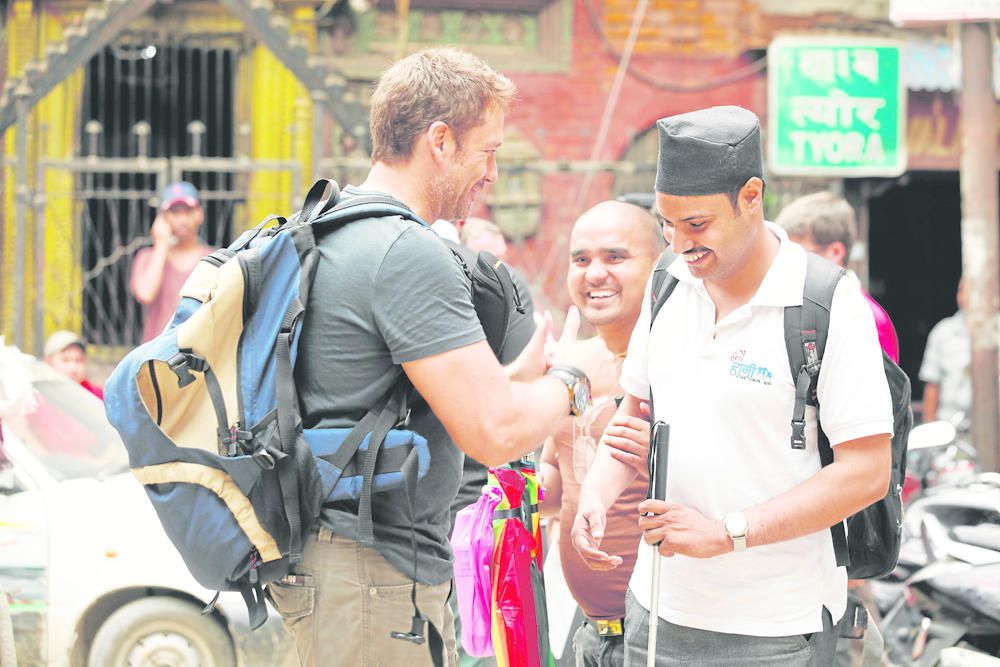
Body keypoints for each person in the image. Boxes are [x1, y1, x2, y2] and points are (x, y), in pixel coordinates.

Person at [267, 48, 613, 667]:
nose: (493, 174)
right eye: (489, 152)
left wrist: (512, 383)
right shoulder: (407, 251)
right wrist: (580, 373)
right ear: (441, 141)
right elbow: (495, 434)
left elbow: (374, 396)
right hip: (369, 575)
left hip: (338, 563)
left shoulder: (330, 226)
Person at [571, 106, 894, 667]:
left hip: (775, 628)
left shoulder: (825, 302)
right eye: (668, 225)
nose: (681, 243)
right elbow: (637, 413)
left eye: (697, 225)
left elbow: (867, 472)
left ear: (751, 196)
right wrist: (597, 495)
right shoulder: (668, 284)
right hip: (658, 612)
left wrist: (727, 534)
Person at [539, 200, 663, 667]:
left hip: (661, 636)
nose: (594, 274)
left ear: (658, 267)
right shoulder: (576, 363)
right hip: (591, 633)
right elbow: (556, 487)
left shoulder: (681, 364)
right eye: (581, 259)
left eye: (615, 258)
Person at [776, 191, 900, 363]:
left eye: (798, 254)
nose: (788, 263)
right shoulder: (796, 304)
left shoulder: (868, 318)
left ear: (835, 252)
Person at [130, 181, 213, 343]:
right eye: (175, 213)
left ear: (199, 214)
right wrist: (161, 245)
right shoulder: (147, 257)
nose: (182, 219)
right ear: (163, 218)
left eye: (188, 211)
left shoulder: (214, 260)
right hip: (157, 352)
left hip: (200, 352)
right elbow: (146, 293)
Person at [919, 279, 970, 426]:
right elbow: (932, 385)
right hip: (951, 429)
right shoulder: (943, 332)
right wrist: (930, 431)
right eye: (961, 291)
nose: (965, 296)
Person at [43, 330, 103, 400]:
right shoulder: (37, 398)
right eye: (65, 360)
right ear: (48, 362)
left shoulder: (96, 396)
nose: (73, 368)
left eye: (78, 360)